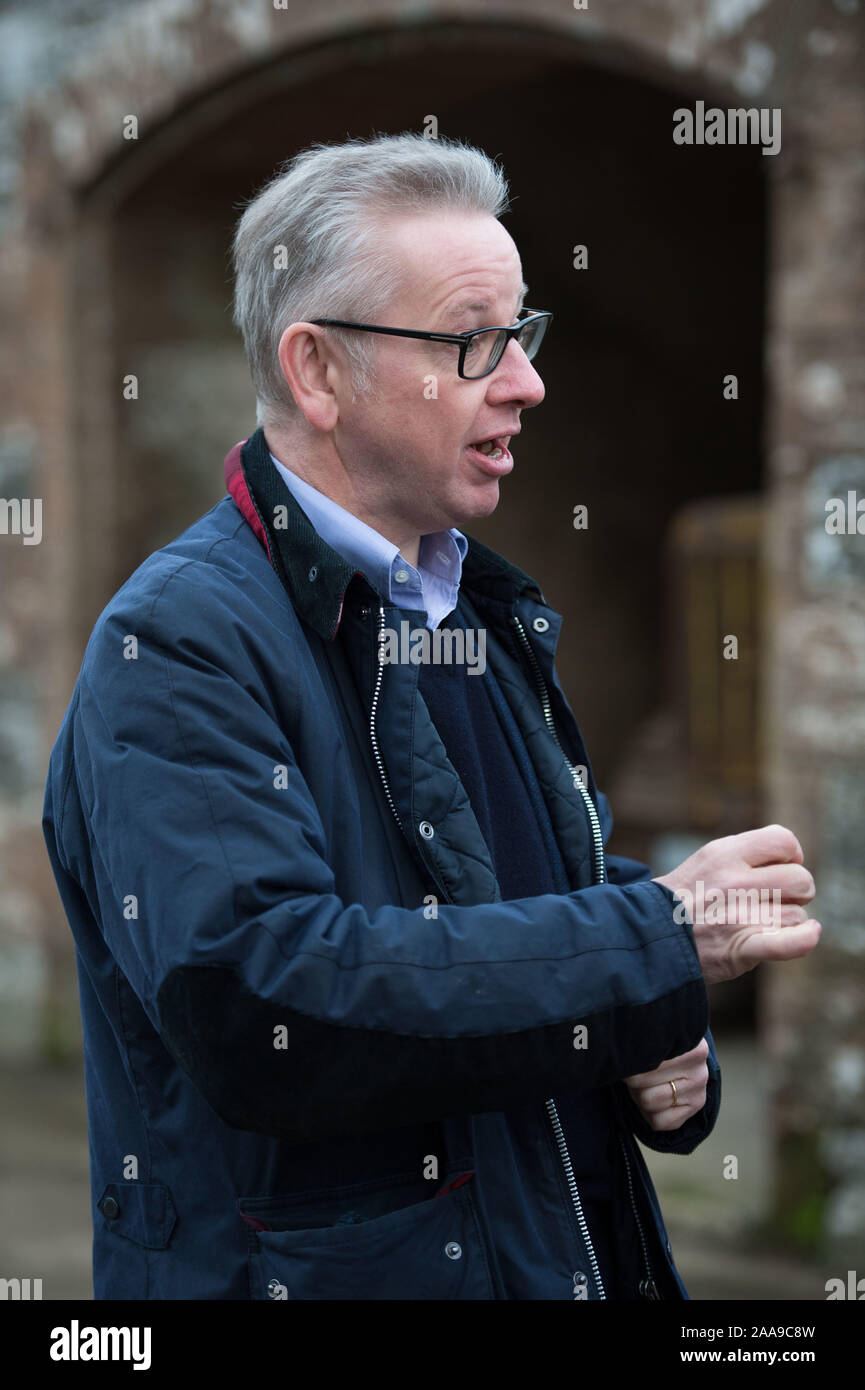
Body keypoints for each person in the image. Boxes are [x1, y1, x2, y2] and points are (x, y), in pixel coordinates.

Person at [42, 132, 820, 1301]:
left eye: (523, 334)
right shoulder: (179, 643)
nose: (525, 381)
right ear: (317, 372)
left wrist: (661, 1040)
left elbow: (524, 946)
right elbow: (266, 1004)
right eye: (472, 343)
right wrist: (658, 939)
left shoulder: (485, 611)